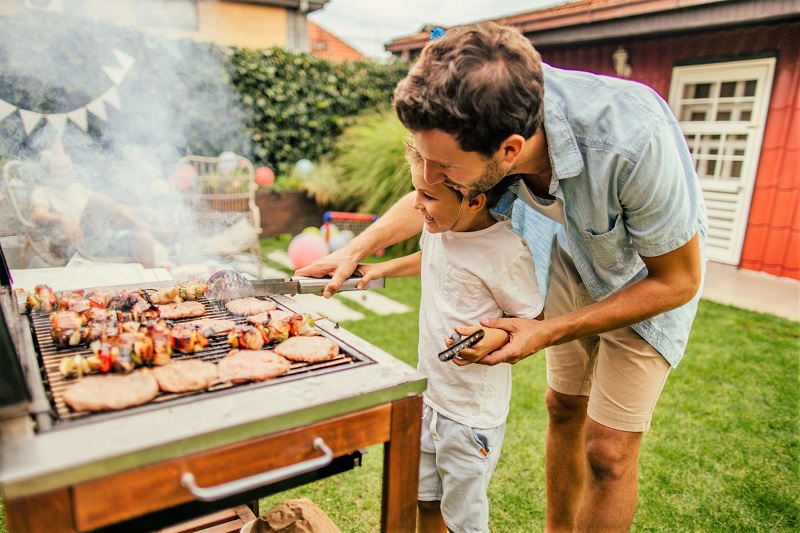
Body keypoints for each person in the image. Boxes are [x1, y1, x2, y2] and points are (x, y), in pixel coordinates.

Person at [296, 21, 708, 532]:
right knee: (561, 407)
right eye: (422, 157)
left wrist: (547, 329)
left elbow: (678, 280)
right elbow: (435, 195)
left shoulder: (630, 138)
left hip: (647, 275)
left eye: (442, 166)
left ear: (509, 152)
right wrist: (356, 247)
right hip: (569, 254)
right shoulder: (482, 118)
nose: (427, 177)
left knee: (608, 452)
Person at [355, 142, 543, 533]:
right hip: (429, 398)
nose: (416, 204)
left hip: (470, 416)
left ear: (473, 201)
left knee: (464, 521)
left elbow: (531, 318)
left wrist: (491, 339)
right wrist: (380, 267)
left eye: (427, 196)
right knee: (425, 500)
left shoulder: (505, 251)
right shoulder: (440, 228)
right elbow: (430, 259)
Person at [30, 148, 171, 268]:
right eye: (58, 168)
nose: (64, 171)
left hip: (97, 240)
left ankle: (152, 288)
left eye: (67, 166)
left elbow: (112, 208)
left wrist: (139, 209)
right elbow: (38, 214)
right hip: (71, 243)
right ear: (48, 171)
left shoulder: (77, 188)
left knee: (142, 237)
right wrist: (64, 219)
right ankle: (156, 230)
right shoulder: (43, 191)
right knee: (98, 200)